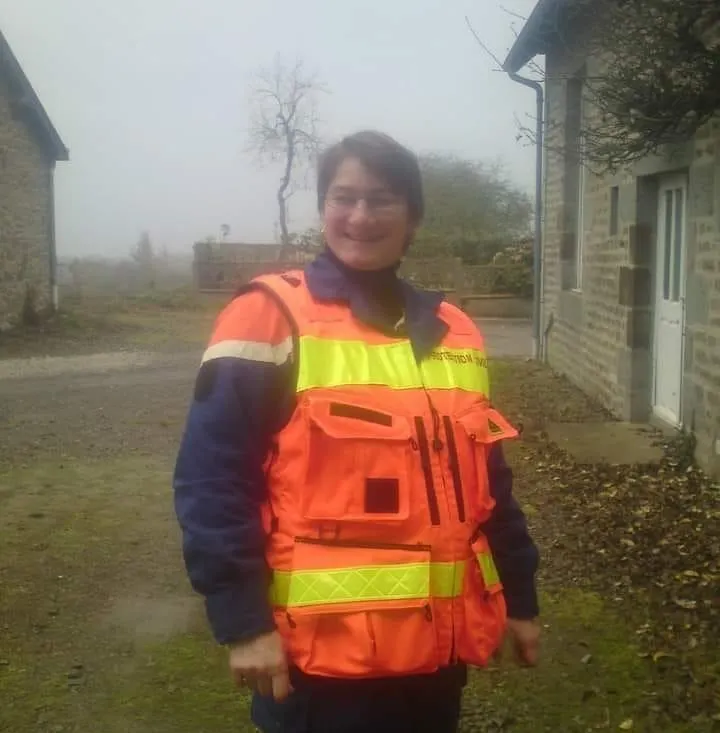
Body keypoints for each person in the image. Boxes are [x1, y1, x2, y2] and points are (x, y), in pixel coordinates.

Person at [173, 130, 540, 733]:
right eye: (344, 198)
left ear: (413, 217)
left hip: (434, 661)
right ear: (324, 209)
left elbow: (489, 485)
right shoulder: (268, 315)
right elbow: (211, 478)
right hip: (321, 670)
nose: (361, 216)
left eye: (382, 199)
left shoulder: (455, 331)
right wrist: (242, 622)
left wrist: (520, 599)